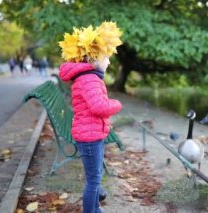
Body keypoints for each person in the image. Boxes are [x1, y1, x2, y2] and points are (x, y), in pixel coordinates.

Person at [58, 22, 123, 213]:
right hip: (90, 137)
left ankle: (95, 208)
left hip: (91, 133)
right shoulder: (89, 79)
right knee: (94, 180)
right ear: (94, 57)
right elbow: (99, 106)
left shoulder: (88, 77)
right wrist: (117, 104)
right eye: (107, 58)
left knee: (94, 177)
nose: (109, 62)